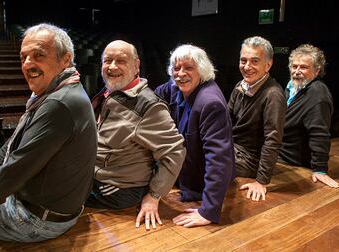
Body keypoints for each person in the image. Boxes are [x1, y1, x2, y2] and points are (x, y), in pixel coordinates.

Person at [0, 23, 97, 242]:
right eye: (23, 57)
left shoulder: (58, 103)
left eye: (39, 55)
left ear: (65, 59)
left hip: (41, 220)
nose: (28, 64)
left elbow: (19, 163)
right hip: (51, 208)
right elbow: (12, 146)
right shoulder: (62, 90)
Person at [86, 40, 186, 230]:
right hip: (96, 176)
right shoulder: (111, 92)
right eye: (107, 61)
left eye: (121, 61)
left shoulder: (149, 107)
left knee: (55, 196)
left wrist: (154, 196)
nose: (112, 66)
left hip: (117, 188)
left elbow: (175, 152)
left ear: (136, 65)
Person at [155, 44, 235, 227]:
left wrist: (208, 211)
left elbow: (219, 160)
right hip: (183, 173)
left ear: (202, 70)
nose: (181, 73)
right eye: (176, 68)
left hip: (199, 182)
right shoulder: (177, 87)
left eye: (189, 68)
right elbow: (157, 93)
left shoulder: (210, 103)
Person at [228, 36, 286, 201]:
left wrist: (261, 181)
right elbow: (226, 120)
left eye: (254, 61)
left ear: (268, 64)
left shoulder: (273, 95)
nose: (247, 67)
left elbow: (273, 140)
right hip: (233, 148)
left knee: (197, 158)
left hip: (250, 160)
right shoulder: (240, 86)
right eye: (243, 60)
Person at [279, 44, 339, 188]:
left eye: (303, 67)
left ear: (317, 70)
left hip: (291, 161)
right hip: (279, 153)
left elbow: (319, 133)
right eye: (294, 66)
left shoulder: (318, 94)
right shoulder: (293, 86)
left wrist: (320, 168)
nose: (297, 71)